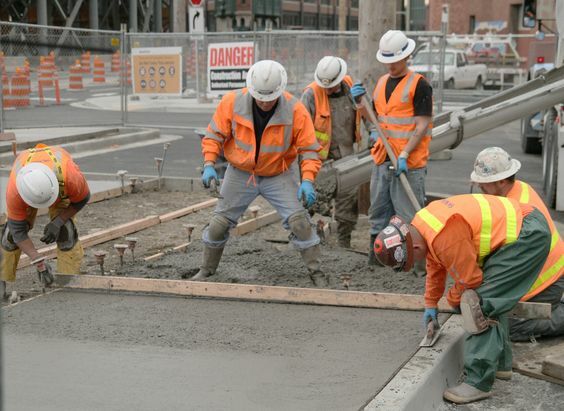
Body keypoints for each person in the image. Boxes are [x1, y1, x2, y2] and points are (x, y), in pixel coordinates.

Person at [373, 194, 551, 404]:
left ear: (415, 248)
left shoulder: (445, 235)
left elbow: (470, 280)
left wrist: (452, 299)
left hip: (528, 235)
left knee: (478, 302)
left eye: (412, 261)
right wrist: (430, 304)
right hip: (521, 229)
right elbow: (435, 265)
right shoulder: (422, 225)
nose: (416, 263)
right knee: (492, 294)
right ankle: (501, 365)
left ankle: (478, 382)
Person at [193, 60, 328, 286]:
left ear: (280, 90)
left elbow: (309, 150)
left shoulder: (295, 110)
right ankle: (206, 270)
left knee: (300, 223)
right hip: (241, 173)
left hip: (279, 173)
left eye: (270, 99)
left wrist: (307, 180)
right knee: (218, 224)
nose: (265, 103)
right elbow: (214, 136)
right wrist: (208, 164)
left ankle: (317, 273)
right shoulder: (232, 102)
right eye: (260, 98)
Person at [350, 30, 433, 266]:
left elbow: (422, 125)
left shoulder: (420, 85)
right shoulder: (382, 83)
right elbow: (375, 119)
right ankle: (377, 261)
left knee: (408, 216)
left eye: (395, 60)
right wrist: (360, 103)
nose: (391, 66)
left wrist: (405, 154)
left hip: (409, 162)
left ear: (406, 56)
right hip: (383, 157)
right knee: (378, 211)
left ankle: (413, 266)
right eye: (387, 61)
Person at [471, 147, 563, 342]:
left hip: (547, 279)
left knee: (510, 325)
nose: (479, 186)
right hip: (545, 272)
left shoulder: (517, 211)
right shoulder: (518, 188)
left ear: (502, 181)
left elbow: (506, 265)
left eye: (484, 183)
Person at [1, 143, 90, 299]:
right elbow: (17, 231)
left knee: (66, 232)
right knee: (9, 237)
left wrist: (59, 221)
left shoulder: (70, 176)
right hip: (26, 193)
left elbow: (83, 199)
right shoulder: (15, 191)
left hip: (61, 189)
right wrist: (38, 261)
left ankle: (67, 283)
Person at [301, 56, 362, 248]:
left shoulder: (350, 87)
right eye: (324, 86)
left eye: (331, 86)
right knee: (311, 201)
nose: (326, 89)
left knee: (347, 202)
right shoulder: (311, 95)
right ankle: (302, 239)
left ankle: (344, 242)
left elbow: (365, 112)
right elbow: (300, 131)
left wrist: (363, 106)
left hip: (346, 155)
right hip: (319, 160)